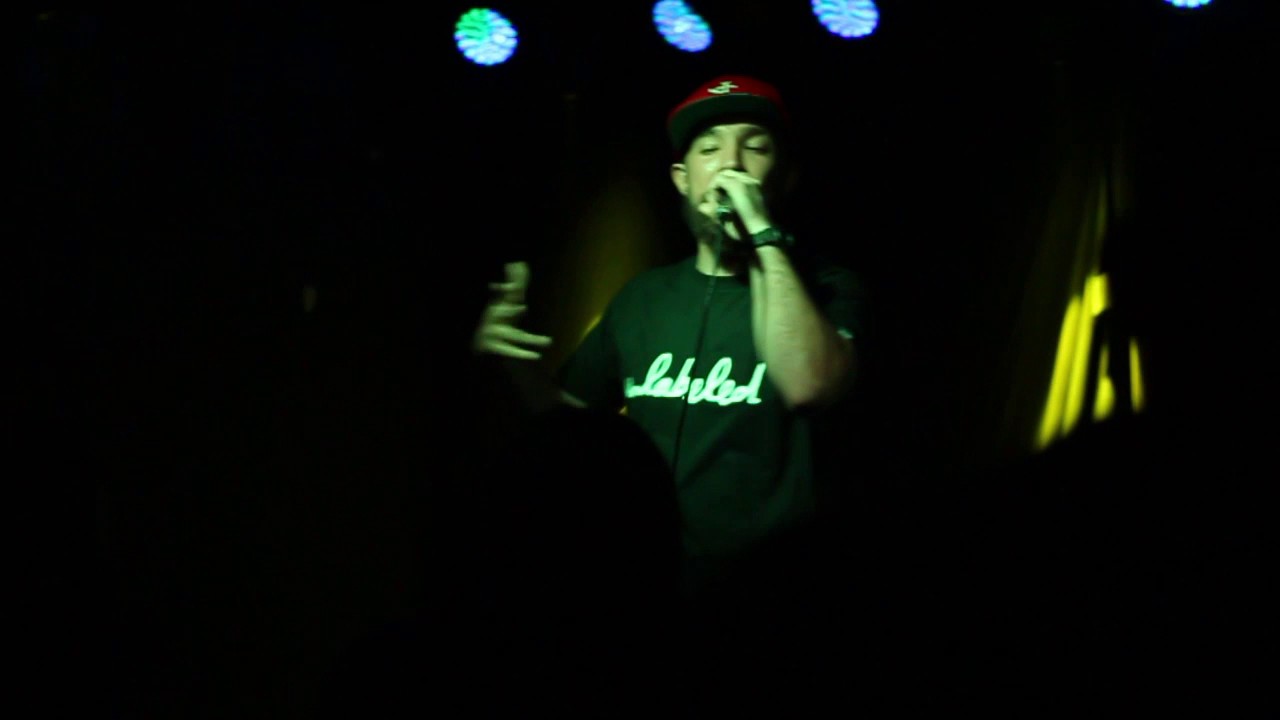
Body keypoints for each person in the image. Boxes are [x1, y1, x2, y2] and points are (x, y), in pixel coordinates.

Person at [472, 74, 866, 597]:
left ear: (787, 177)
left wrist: (761, 232)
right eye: (709, 149)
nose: (731, 163)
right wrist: (514, 365)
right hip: (648, 585)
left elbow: (808, 384)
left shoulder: (828, 286)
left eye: (755, 147)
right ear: (682, 179)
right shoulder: (643, 298)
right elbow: (574, 429)